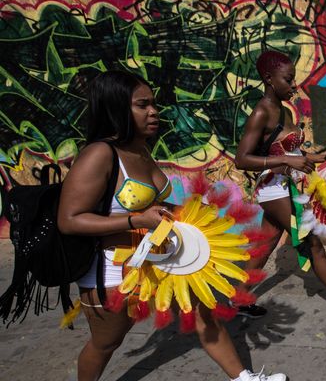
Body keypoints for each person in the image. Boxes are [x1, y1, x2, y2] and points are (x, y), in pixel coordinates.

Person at [57, 70, 286, 381]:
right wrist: (137, 220)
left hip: (161, 261)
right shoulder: (100, 154)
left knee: (205, 311)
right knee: (106, 342)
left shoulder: (138, 148)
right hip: (112, 271)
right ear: (117, 108)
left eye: (153, 104)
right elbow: (69, 220)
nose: (154, 111)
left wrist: (186, 211)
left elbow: (151, 203)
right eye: (142, 105)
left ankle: (245, 378)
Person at [234, 50, 326, 319]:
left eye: (293, 80)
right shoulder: (261, 113)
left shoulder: (280, 109)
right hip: (273, 189)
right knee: (312, 245)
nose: (293, 85)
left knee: (266, 245)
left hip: (283, 187)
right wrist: (288, 159)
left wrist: (317, 156)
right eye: (287, 80)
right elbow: (241, 159)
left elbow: (290, 152)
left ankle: (238, 300)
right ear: (268, 79)